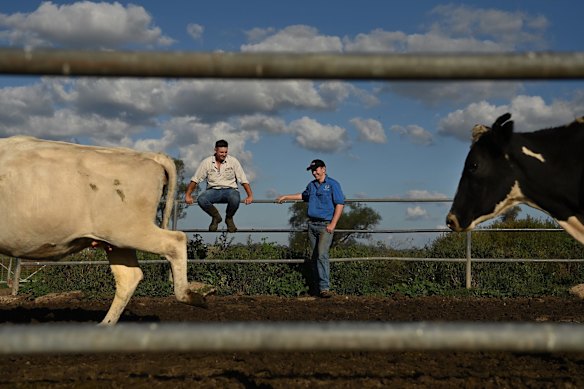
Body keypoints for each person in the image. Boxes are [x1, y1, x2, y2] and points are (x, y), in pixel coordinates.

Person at [276, 159, 345, 298]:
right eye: (312, 170)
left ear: (324, 169)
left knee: (321, 255)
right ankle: (316, 288)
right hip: (312, 224)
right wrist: (287, 196)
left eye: (316, 169)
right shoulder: (312, 185)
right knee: (314, 257)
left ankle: (324, 287)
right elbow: (303, 196)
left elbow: (340, 204)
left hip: (325, 224)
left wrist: (333, 224)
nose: (314, 173)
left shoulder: (333, 184)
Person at [185, 139, 253, 232]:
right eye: (221, 152)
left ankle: (229, 218)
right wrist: (188, 195)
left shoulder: (233, 161)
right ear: (215, 150)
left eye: (225, 152)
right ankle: (216, 217)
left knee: (235, 198)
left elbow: (243, 179)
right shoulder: (207, 162)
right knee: (201, 199)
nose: (224, 154)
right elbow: (195, 179)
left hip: (230, 190)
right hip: (213, 191)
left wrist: (250, 195)